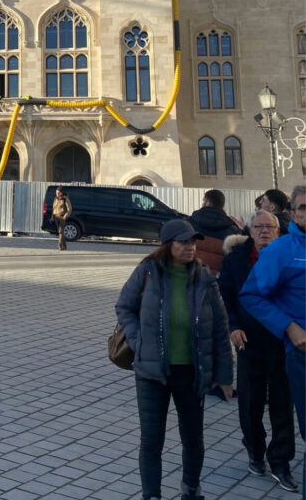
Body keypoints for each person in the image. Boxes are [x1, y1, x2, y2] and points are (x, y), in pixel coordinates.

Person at [116, 218, 233, 500]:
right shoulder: (147, 272)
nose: (190, 247)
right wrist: (138, 341)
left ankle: (191, 488)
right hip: (151, 372)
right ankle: (152, 495)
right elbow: (124, 307)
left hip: (192, 372)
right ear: (168, 245)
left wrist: (225, 377)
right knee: (152, 440)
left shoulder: (205, 278)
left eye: (193, 242)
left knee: (193, 437)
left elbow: (220, 329)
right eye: (183, 242)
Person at [218, 212, 296, 489]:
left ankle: (281, 461)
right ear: (249, 231)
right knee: (249, 404)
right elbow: (225, 296)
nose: (264, 231)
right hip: (248, 342)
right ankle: (254, 450)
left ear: (278, 231)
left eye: (269, 226)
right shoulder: (235, 260)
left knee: (282, 404)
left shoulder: (289, 255)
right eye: (258, 226)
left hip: (283, 342)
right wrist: (233, 327)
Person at [240, 186, 306, 496]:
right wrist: (290, 328)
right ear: (293, 214)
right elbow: (249, 295)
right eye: (303, 207)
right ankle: (269, 457)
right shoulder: (281, 251)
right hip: (296, 351)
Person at [188, 189, 239, 274]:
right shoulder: (232, 230)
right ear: (222, 205)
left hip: (193, 275)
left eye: (203, 200)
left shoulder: (189, 224)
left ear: (207, 202)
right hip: (218, 280)